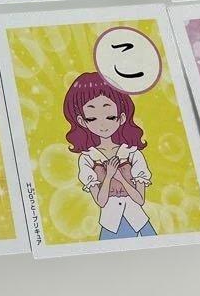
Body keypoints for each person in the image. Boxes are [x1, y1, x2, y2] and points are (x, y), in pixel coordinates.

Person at [63, 72, 155, 241]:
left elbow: (140, 200)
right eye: (92, 118)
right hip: (111, 226)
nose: (102, 124)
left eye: (110, 116)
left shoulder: (132, 153)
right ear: (82, 121)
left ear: (121, 117)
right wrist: (109, 176)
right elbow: (101, 201)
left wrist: (119, 177)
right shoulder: (88, 158)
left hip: (140, 223)